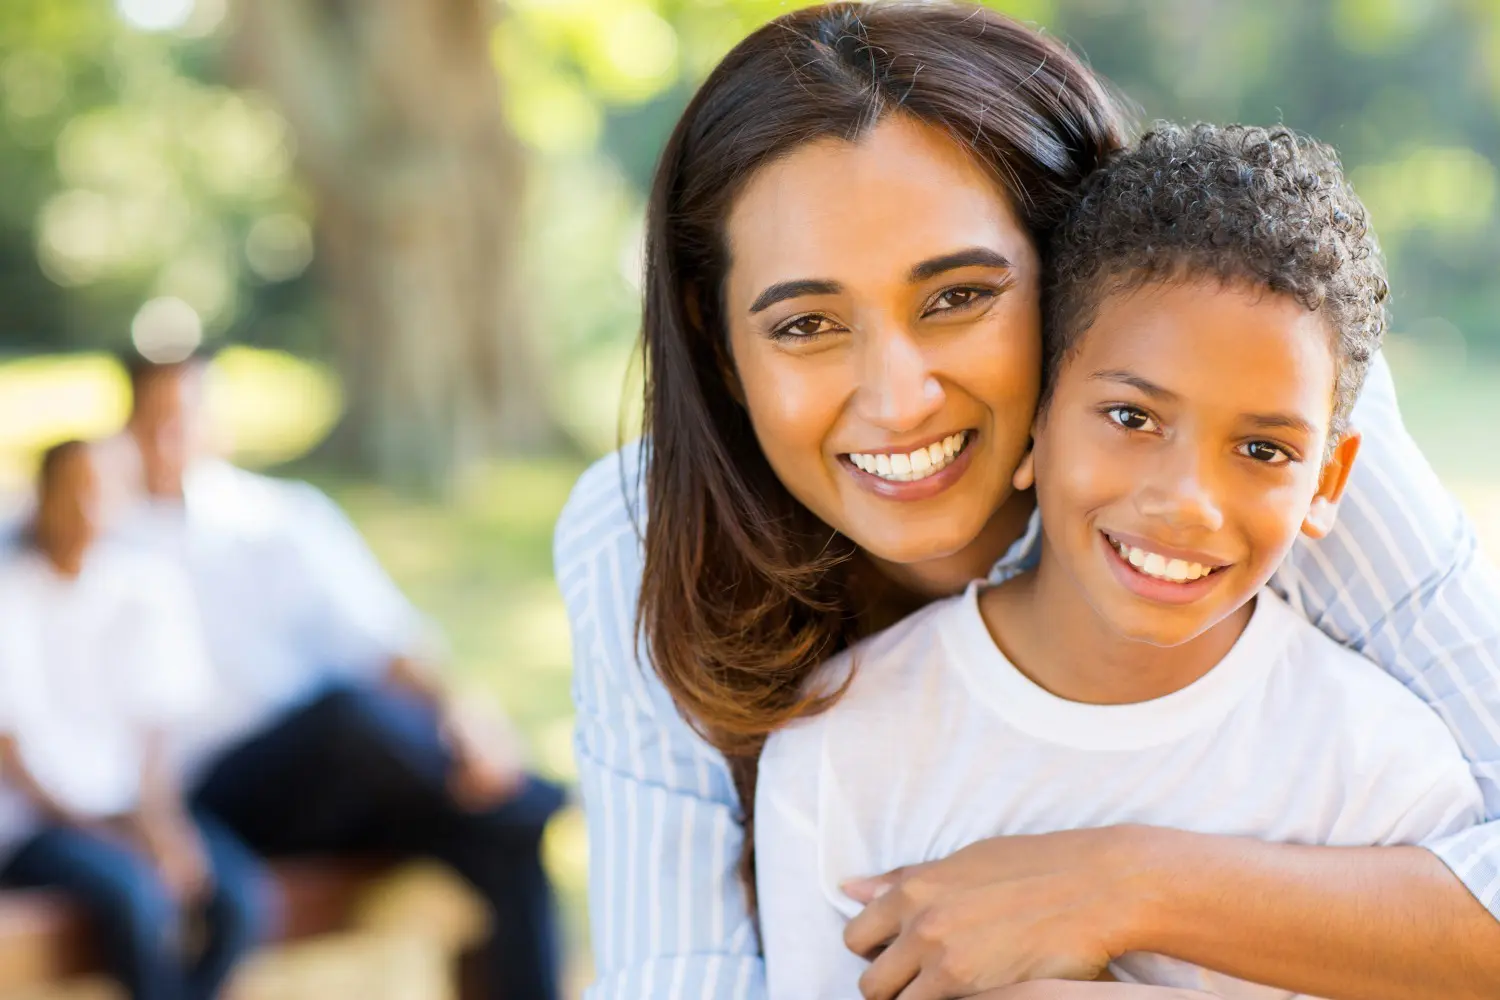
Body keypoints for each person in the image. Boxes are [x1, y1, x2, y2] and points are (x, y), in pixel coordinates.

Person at [552, 4, 1500, 999]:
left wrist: (1124, 882)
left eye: (958, 295)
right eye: (805, 324)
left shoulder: (1260, 432)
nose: (899, 396)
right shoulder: (644, 537)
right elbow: (673, 973)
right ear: (718, 344)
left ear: (1071, 274)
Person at [756, 121, 1487, 999]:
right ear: (1035, 414)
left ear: (1327, 482)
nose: (1186, 500)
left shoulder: (1383, 774)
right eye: (1132, 418)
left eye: (1262, 451)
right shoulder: (840, 741)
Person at [116, 354, 566, 1000]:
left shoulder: (282, 516)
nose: (169, 438)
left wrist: (469, 717)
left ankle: (522, 810)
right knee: (345, 718)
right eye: (153, 420)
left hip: (334, 785)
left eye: (185, 418)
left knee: (500, 838)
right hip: (215, 796)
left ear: (218, 426)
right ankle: (548, 801)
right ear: (127, 427)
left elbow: (388, 641)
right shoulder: (105, 532)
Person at [0, 440, 272, 1000]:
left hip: (125, 809)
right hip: (37, 823)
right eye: (71, 492)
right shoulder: (12, 595)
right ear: (41, 498)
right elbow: (13, 753)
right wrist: (110, 834)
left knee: (241, 899)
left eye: (100, 494)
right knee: (139, 901)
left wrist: (161, 826)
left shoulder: (147, 588)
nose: (85, 510)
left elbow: (154, 732)